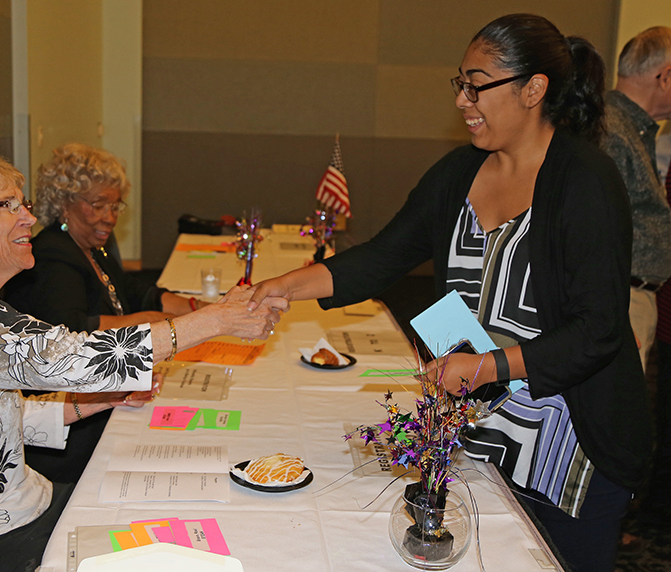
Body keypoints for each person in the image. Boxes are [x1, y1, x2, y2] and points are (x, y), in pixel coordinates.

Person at [248, 14, 648, 572]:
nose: (463, 100)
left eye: (477, 84)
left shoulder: (585, 180)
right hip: (480, 432)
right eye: (460, 83)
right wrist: (284, 287)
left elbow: (598, 329)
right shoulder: (461, 170)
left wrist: (488, 365)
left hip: (569, 447)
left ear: (534, 89)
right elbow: (384, 255)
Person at [0, 141, 286, 572]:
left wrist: (89, 403)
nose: (29, 218)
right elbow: (74, 356)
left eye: (24, 203)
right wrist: (214, 321)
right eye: (6, 206)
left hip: (1, 509)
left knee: (155, 515)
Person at [1, 144, 206, 482]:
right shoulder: (52, 257)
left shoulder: (93, 248)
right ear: (64, 204)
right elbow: (72, 333)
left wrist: (194, 307)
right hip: (68, 426)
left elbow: (132, 291)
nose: (109, 217)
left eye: (114, 205)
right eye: (98, 205)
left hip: (101, 393)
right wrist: (145, 324)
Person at [601, 26, 671, 370]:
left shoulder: (633, 127)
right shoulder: (613, 131)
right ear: (666, 77)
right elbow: (596, 233)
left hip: (632, 295)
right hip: (618, 298)